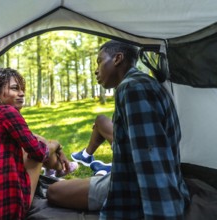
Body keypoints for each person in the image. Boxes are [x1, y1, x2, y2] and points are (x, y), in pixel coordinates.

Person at [49, 40, 190, 219]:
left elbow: (151, 160)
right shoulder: (141, 82)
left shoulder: (133, 88)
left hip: (130, 190)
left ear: (117, 58)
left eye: (99, 61)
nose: (95, 70)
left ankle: (100, 172)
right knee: (59, 187)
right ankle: (101, 171)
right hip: (129, 175)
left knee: (53, 191)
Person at [0, 67, 76, 219]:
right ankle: (60, 168)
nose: (22, 93)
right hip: (4, 210)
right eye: (14, 88)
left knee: (33, 139)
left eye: (22, 89)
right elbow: (39, 153)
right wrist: (56, 144)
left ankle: (57, 169)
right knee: (40, 144)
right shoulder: (7, 112)